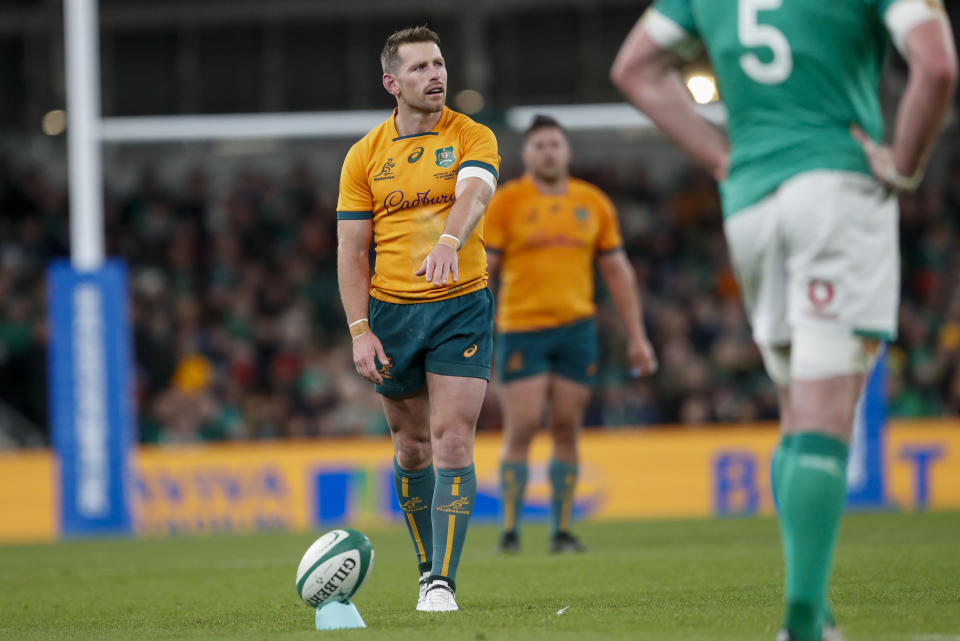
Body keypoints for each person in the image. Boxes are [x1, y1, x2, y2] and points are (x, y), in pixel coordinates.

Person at [611, 1, 956, 640]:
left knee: (798, 412)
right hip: (833, 188)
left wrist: (720, 157)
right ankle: (800, 623)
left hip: (750, 203)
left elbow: (633, 69)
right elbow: (935, 64)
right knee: (826, 414)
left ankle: (815, 612)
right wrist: (905, 166)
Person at [336, 25, 500, 613]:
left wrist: (451, 240)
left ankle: (442, 583)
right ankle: (426, 565)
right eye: (419, 67)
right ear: (392, 82)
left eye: (438, 63)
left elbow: (477, 190)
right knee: (410, 447)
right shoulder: (364, 156)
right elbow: (351, 251)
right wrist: (360, 332)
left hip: (461, 305)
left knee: (453, 438)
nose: (435, 75)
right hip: (394, 313)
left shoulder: (471, 134)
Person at [485, 115, 657, 554]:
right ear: (526, 154)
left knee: (566, 426)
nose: (547, 152)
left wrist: (638, 337)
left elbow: (618, 272)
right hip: (522, 328)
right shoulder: (507, 203)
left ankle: (560, 531)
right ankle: (510, 530)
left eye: (554, 144)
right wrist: (472, 326)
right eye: (539, 145)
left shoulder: (593, 203)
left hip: (577, 328)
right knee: (521, 426)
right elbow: (486, 270)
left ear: (567, 151)